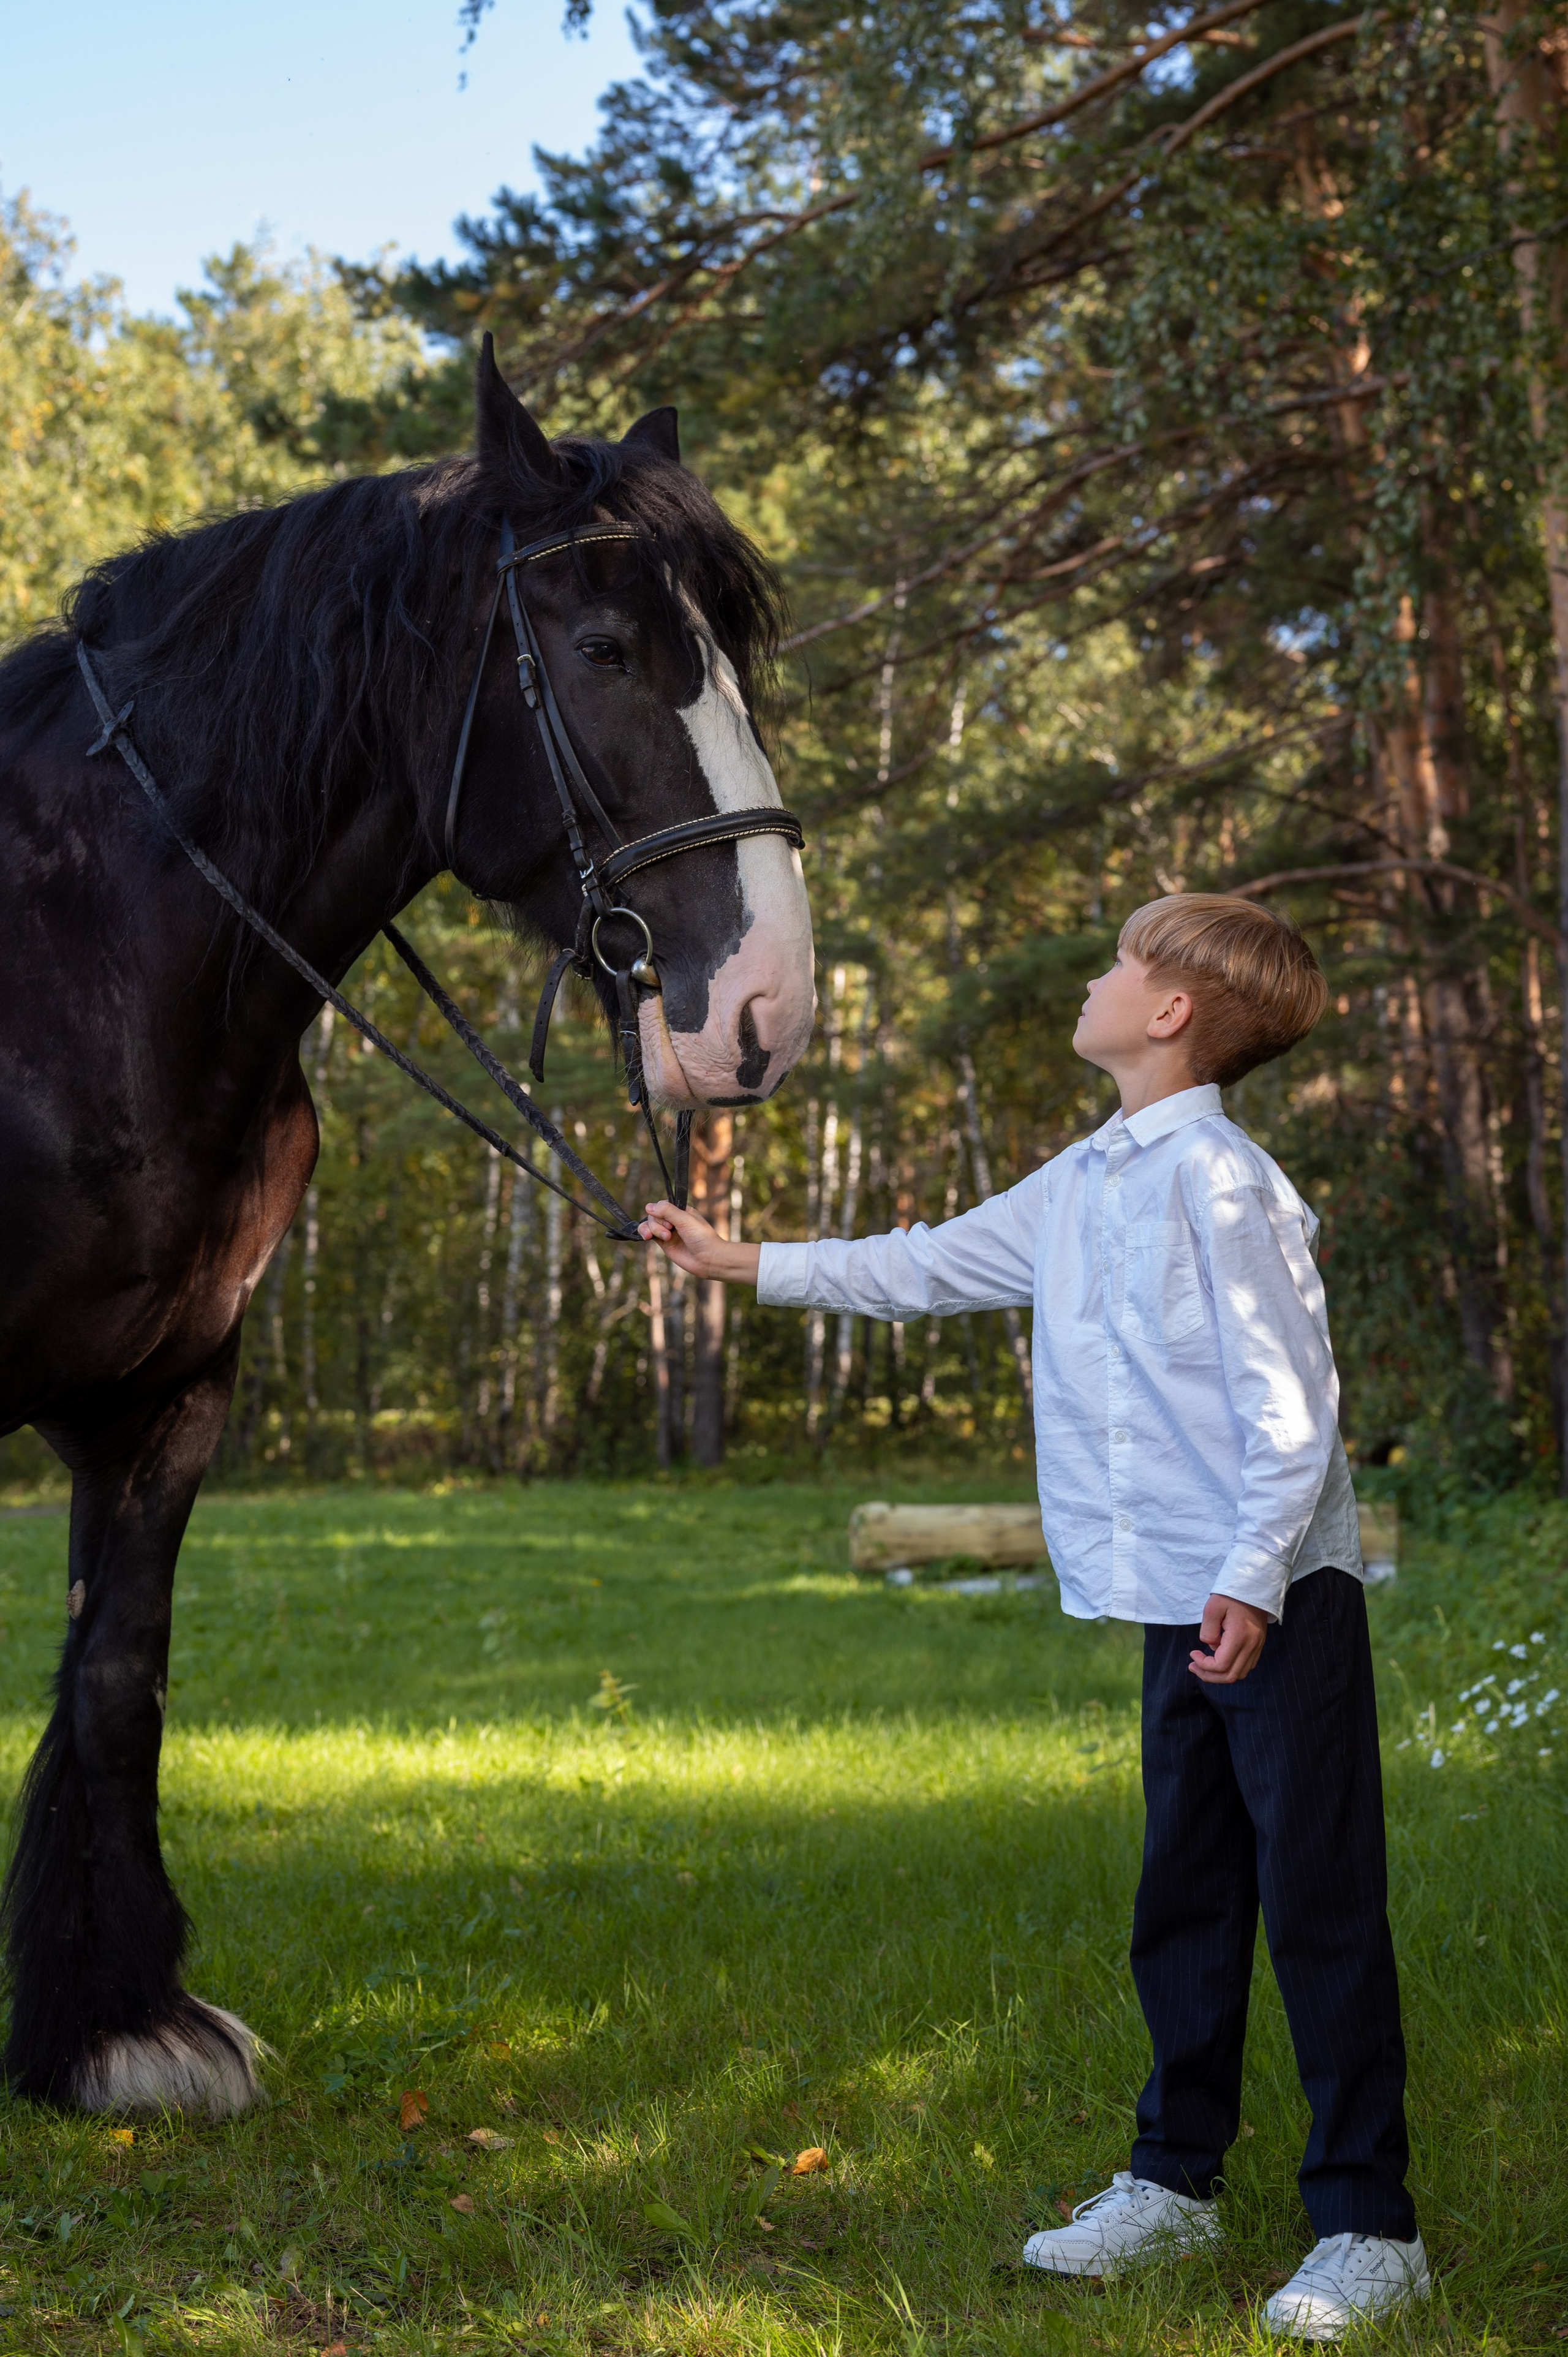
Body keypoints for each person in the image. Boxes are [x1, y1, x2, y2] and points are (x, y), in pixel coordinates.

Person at [640, 893, 1427, 2342]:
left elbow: (1292, 1408)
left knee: (1316, 1902)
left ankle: (1367, 2223)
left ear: (1172, 1010)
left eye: (1120, 963)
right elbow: (921, 1264)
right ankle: (1171, 2184)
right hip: (1165, 1599)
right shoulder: (1084, 1181)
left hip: (1274, 1601)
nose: (1095, 976)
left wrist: (1252, 1578)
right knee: (1181, 1896)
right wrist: (735, 1259)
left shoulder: (1224, 1183)